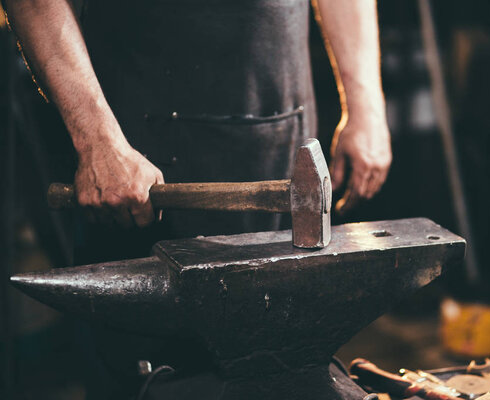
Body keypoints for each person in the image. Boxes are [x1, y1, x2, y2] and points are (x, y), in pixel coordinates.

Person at [5, 0, 392, 398]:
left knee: (283, 367)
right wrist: (96, 140)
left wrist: (366, 104)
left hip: (283, 124)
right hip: (136, 157)